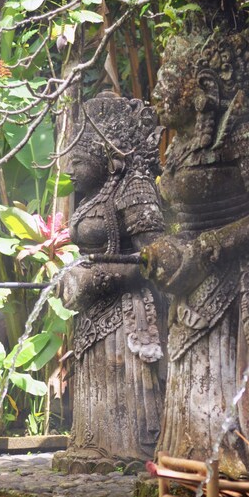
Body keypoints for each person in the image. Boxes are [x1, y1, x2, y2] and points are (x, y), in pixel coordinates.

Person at [142, 6, 249, 479]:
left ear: (203, 87)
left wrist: (210, 246)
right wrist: (167, 250)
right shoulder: (179, 145)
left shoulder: (239, 127)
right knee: (192, 388)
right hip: (191, 287)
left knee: (222, 390)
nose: (157, 92)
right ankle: (187, 471)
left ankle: (237, 470)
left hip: (234, 286)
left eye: (168, 81)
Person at [53, 93, 166, 474]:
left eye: (78, 159)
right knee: (97, 388)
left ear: (106, 157)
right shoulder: (90, 197)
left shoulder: (134, 188)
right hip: (92, 312)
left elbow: (157, 258)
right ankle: (94, 445)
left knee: (122, 389)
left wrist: (100, 277)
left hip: (127, 312)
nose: (70, 168)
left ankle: (128, 450)